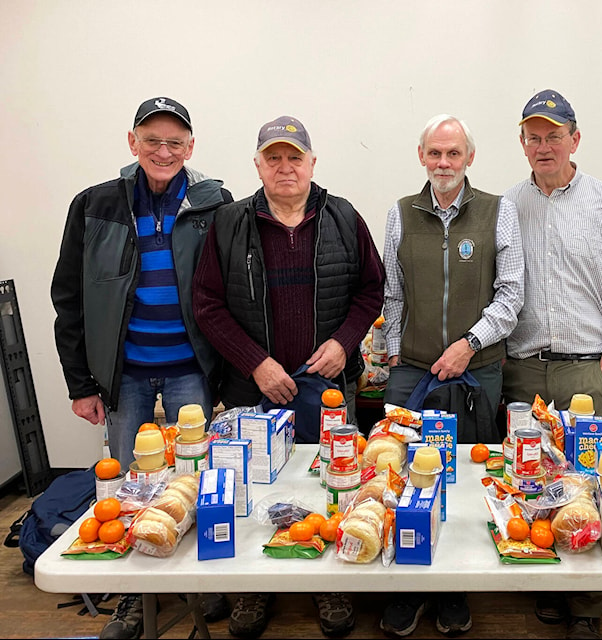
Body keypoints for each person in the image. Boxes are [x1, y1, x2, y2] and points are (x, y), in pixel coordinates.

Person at [193, 116, 385, 639]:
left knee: (330, 484)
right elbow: (207, 304)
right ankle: (255, 585)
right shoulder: (230, 223)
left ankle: (331, 580)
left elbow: (372, 290)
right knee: (256, 490)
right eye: (273, 158)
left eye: (294, 157)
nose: (284, 167)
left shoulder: (343, 217)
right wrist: (256, 362)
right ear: (257, 165)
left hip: (325, 388)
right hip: (252, 389)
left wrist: (343, 343)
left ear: (312, 163)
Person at [50, 96, 233, 640]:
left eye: (175, 142)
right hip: (124, 374)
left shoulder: (212, 202)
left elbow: (231, 290)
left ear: (190, 148)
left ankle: (203, 581)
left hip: (190, 370)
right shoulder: (94, 205)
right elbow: (69, 297)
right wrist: (80, 384)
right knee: (131, 487)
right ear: (132, 142)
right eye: (152, 140)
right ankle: (137, 594)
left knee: (198, 481)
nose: (163, 150)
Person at [501, 89, 602, 640]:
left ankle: (586, 600)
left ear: (574, 140)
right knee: (529, 482)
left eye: (553, 136)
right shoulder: (507, 204)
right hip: (523, 366)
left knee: (589, 486)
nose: (543, 146)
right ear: (522, 143)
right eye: (533, 137)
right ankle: (543, 580)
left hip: (587, 368)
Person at [379, 114, 523, 638]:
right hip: (412, 374)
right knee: (402, 481)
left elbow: (510, 297)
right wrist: (394, 354)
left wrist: (469, 344)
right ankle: (407, 585)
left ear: (469, 158)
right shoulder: (399, 214)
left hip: (476, 373)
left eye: (454, 154)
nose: (444, 163)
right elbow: (392, 294)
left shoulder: (497, 213)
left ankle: (454, 587)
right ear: (422, 157)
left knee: (461, 482)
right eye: (435, 154)